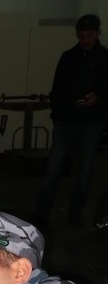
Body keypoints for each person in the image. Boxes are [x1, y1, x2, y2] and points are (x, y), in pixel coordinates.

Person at [35, 13, 108, 228]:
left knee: (85, 171)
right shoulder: (68, 57)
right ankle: (41, 214)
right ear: (77, 35)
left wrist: (98, 98)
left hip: (92, 123)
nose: (86, 40)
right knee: (54, 168)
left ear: (98, 34)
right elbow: (57, 89)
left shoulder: (105, 58)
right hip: (67, 122)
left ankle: (75, 215)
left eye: (90, 36)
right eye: (82, 36)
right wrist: (59, 115)